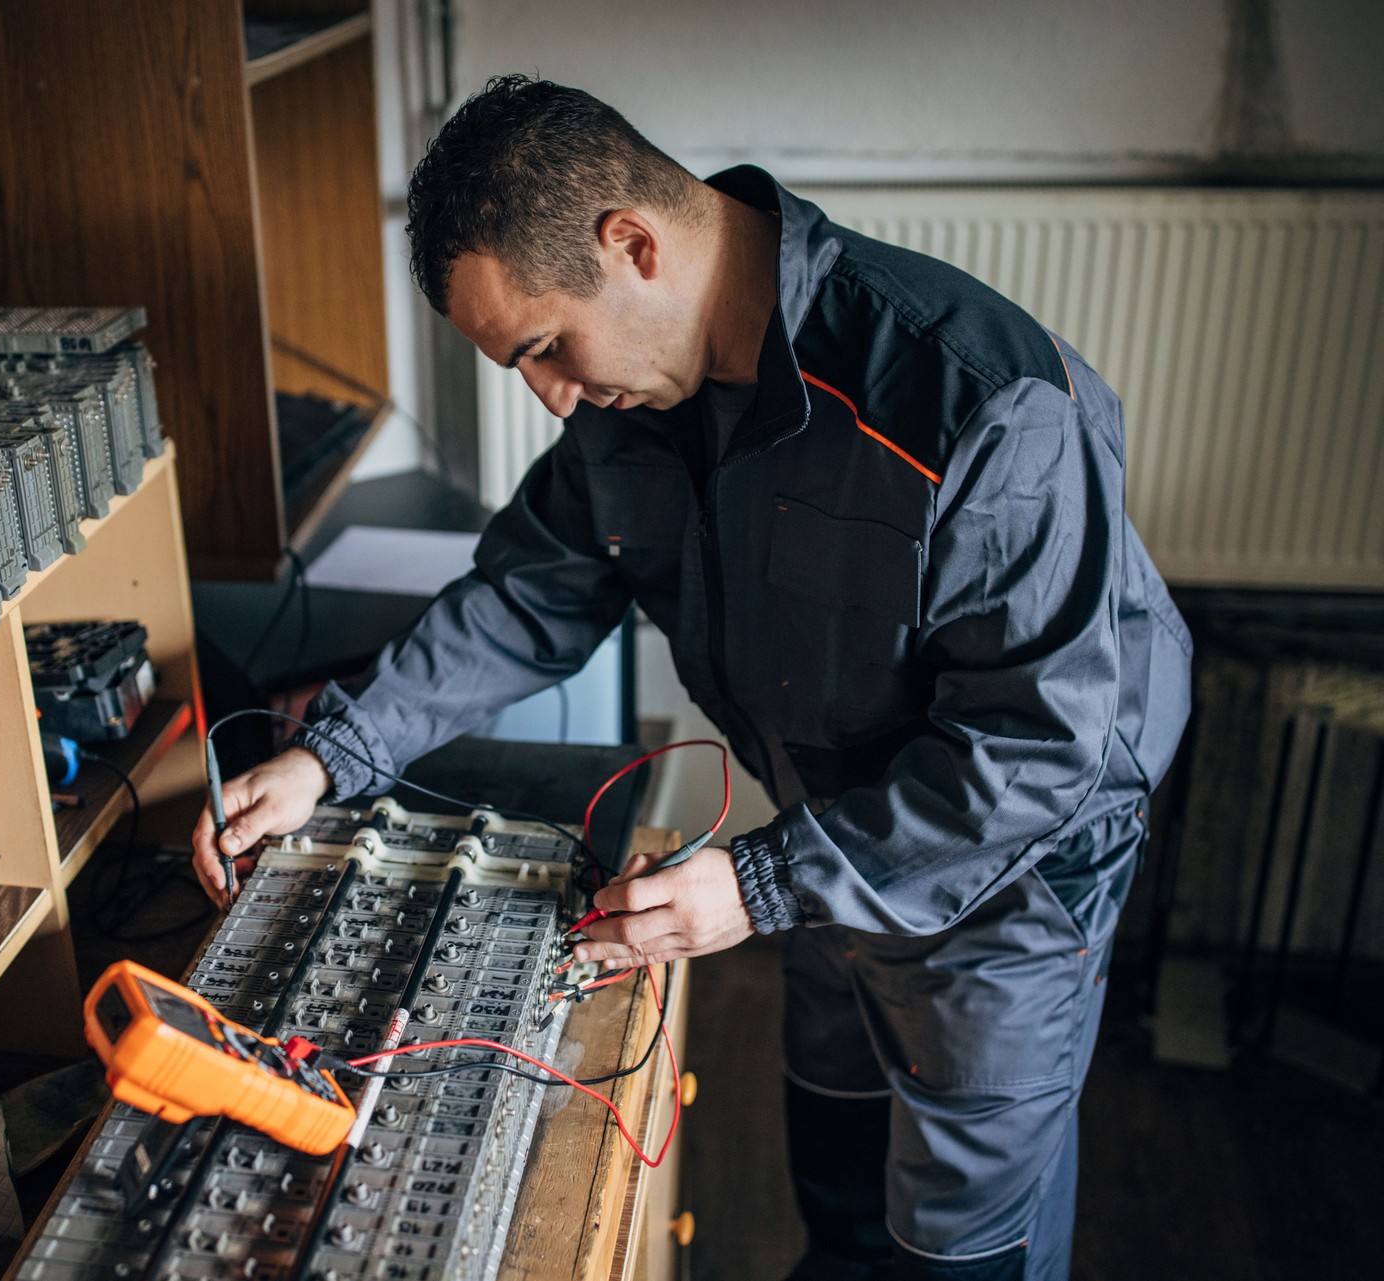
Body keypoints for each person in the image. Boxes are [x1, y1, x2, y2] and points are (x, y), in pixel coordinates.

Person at [191, 76, 1191, 1281]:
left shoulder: (980, 400)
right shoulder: (638, 400)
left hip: (1012, 870)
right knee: (836, 1155)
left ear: (634, 245)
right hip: (827, 832)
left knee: (958, 1245)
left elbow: (1033, 754)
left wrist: (765, 885)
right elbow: (531, 590)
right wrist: (327, 756)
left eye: (548, 347)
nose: (551, 394)